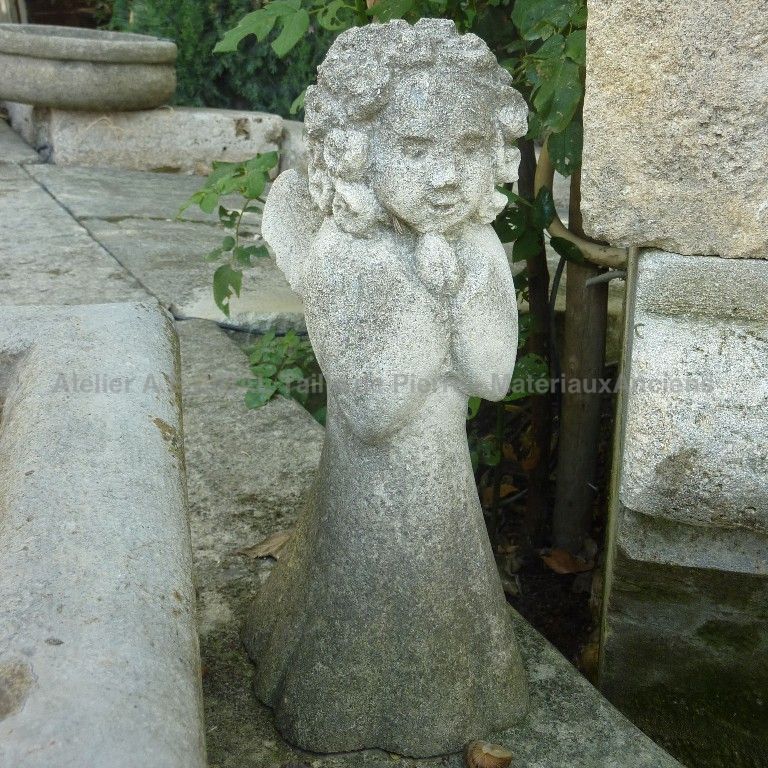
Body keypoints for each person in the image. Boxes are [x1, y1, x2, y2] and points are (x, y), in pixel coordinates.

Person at [244, 18, 529, 757]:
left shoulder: (478, 246)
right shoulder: (348, 256)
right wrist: (433, 300)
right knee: (364, 583)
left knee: (447, 584)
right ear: (357, 151)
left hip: (441, 478)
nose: (445, 177)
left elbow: (494, 378)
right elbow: (372, 411)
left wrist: (459, 285)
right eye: (416, 148)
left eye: (468, 150)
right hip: (372, 480)